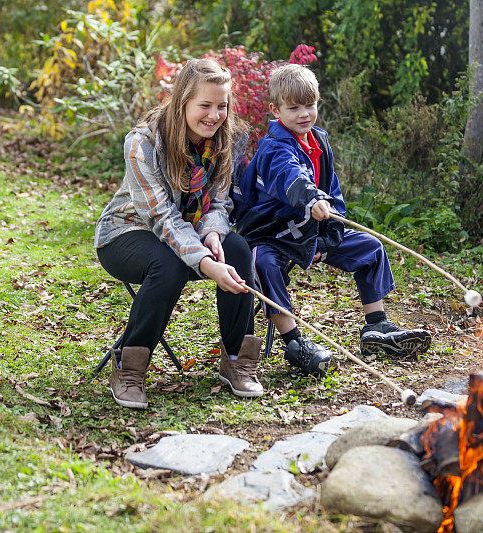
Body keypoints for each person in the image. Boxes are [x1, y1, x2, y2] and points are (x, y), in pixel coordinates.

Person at [233, 64, 431, 377]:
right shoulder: (274, 149)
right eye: (293, 107)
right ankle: (294, 341)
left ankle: (376, 326)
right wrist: (311, 199)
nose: (303, 114)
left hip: (310, 234)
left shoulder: (319, 142)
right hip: (270, 234)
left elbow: (333, 193)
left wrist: (330, 234)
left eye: (309, 105)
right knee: (263, 264)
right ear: (275, 109)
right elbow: (290, 178)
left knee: (371, 248)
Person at [95, 58, 263, 409]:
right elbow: (162, 217)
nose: (215, 115)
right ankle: (129, 369)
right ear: (181, 101)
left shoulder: (222, 140)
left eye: (222, 105)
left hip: (187, 233)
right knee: (168, 265)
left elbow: (217, 204)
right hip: (127, 232)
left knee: (237, 248)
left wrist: (214, 235)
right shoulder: (141, 143)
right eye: (205, 105)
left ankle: (237, 360)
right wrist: (204, 262)